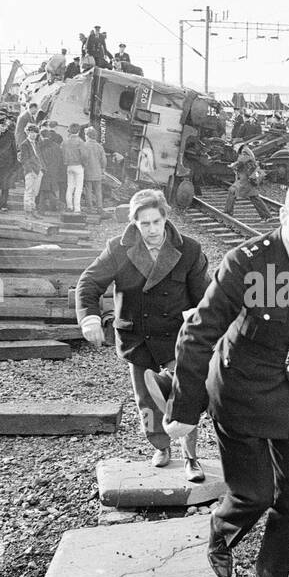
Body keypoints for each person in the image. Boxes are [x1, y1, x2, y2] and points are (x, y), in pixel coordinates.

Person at [163, 178, 289, 577]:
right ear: (283, 216)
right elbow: (195, 336)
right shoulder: (246, 263)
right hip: (240, 386)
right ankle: (221, 533)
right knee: (254, 494)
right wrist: (185, 409)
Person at [79, 189, 210, 481]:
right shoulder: (118, 249)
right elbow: (89, 282)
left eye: (156, 222)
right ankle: (161, 446)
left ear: (166, 218)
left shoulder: (189, 250)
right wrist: (90, 317)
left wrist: (199, 316)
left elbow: (206, 295)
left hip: (176, 338)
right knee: (146, 402)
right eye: (144, 224)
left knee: (185, 397)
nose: (151, 230)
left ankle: (191, 458)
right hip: (137, 339)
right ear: (134, 223)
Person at [223, 145, 272, 221]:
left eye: (235, 147)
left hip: (246, 179)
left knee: (233, 191)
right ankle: (267, 216)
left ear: (238, 146)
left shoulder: (244, 152)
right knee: (253, 197)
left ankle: (228, 212)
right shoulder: (247, 151)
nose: (234, 149)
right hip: (248, 178)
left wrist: (233, 165)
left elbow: (242, 161)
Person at [18, 123, 45, 215]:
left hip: (38, 170)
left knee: (35, 192)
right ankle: (28, 210)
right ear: (27, 133)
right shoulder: (25, 144)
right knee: (29, 190)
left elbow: (39, 157)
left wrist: (42, 169)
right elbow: (24, 159)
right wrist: (30, 171)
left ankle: (32, 209)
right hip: (30, 171)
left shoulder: (37, 144)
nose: (33, 134)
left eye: (35, 133)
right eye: (31, 132)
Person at [78, 126, 107, 212]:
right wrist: (103, 169)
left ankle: (90, 208)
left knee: (88, 190)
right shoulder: (99, 146)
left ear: (87, 135)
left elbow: (82, 158)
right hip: (97, 172)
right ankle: (99, 208)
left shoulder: (84, 145)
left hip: (87, 171)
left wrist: (83, 165)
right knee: (98, 190)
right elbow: (104, 160)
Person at [63, 124, 86, 213]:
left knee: (70, 187)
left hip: (69, 166)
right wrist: (84, 164)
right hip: (78, 166)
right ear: (79, 131)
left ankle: (69, 206)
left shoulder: (65, 141)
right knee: (78, 188)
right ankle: (77, 208)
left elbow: (63, 152)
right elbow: (83, 155)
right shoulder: (80, 141)